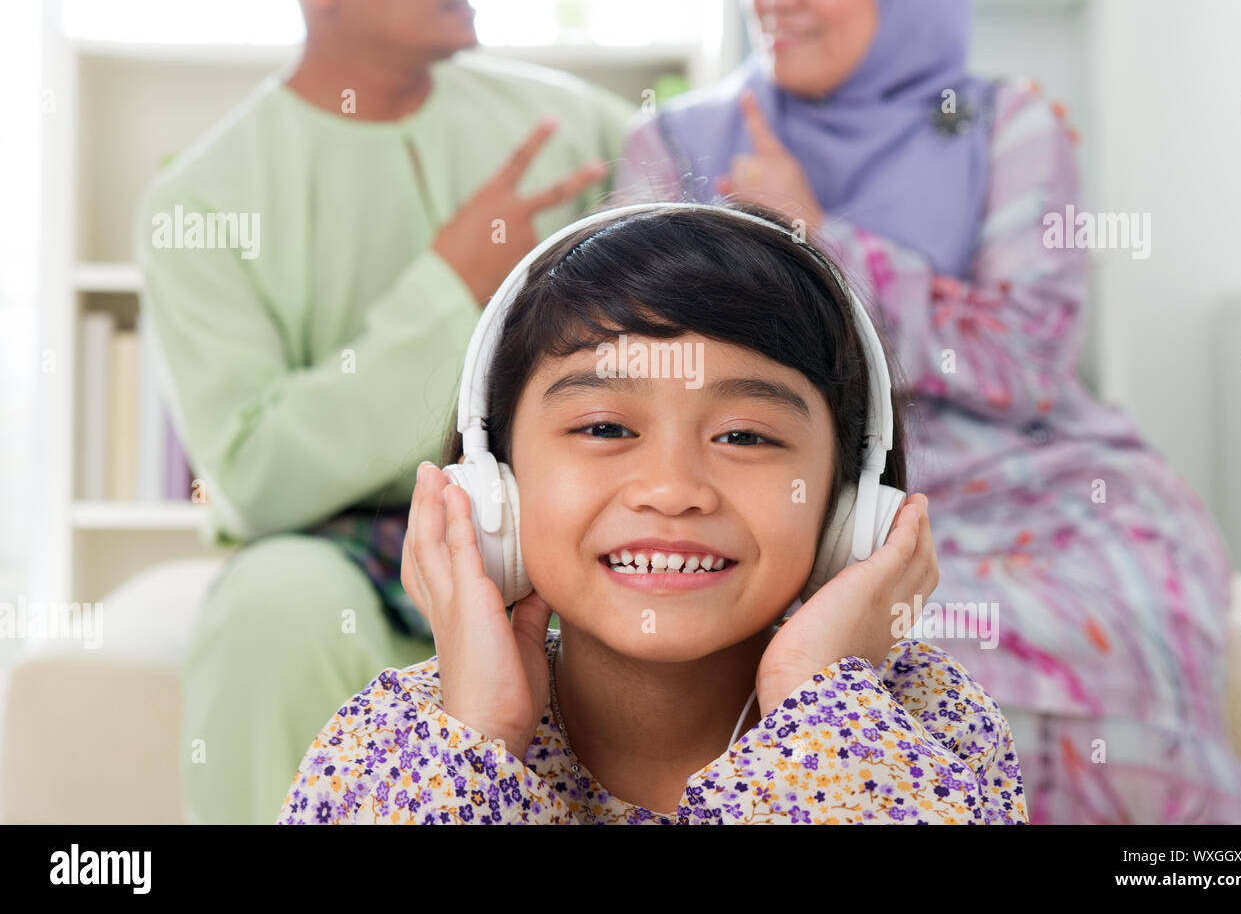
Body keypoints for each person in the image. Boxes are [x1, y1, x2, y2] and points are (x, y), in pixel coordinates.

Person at [612, 0, 1241, 824]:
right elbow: (646, 365)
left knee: (1113, 608)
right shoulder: (681, 141)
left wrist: (822, 240)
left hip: (1029, 477)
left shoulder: (1003, 124)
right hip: (795, 474)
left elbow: (1026, 361)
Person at [277, 202, 1028, 824]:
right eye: (605, 427)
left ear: (846, 506)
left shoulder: (921, 727)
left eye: (745, 435)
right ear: (494, 484)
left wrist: (817, 707)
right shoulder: (398, 743)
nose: (671, 490)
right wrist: (480, 736)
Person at [133, 0, 634, 824]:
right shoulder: (201, 198)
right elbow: (251, 473)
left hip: (561, 532)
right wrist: (452, 289)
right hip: (345, 552)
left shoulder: (578, 127)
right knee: (270, 610)